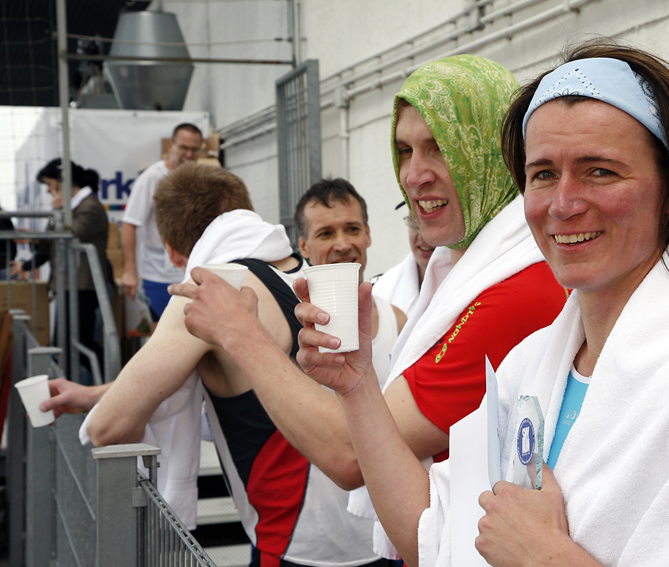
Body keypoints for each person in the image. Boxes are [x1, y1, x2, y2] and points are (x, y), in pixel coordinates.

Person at [293, 41, 669, 566]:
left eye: (600, 171)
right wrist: (357, 385)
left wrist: (544, 558)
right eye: (543, 174)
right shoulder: (533, 366)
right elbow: (434, 535)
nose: (562, 205)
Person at [170, 54, 566, 556]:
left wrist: (240, 333)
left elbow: (348, 454)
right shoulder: (468, 274)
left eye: (439, 148)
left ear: (495, 151)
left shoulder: (516, 291)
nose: (414, 175)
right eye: (404, 150)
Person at [43, 163, 385, 567]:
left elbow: (107, 427)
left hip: (299, 543)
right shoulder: (317, 280)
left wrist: (103, 406)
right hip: (380, 529)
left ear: (172, 251)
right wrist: (93, 394)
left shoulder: (209, 292)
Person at [295, 178, 406, 386]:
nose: (343, 244)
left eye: (352, 229)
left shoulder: (397, 321)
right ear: (303, 247)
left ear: (368, 234)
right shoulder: (294, 329)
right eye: (326, 233)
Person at [13, 158, 109, 380]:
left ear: (63, 182)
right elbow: (48, 246)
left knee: (80, 343)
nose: (48, 191)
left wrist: (54, 214)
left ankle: (112, 381)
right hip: (68, 286)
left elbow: (69, 236)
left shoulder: (90, 207)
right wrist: (32, 248)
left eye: (50, 184)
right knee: (66, 344)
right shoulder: (69, 209)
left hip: (84, 287)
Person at [121, 122, 202, 320]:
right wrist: (130, 270)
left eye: (194, 149)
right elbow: (129, 224)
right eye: (184, 148)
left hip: (193, 273)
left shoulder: (201, 178)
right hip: (159, 276)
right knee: (164, 330)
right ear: (171, 146)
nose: (189, 154)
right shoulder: (152, 178)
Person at [371, 203, 433, 315]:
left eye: (432, 223)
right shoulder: (380, 287)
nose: (422, 236)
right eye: (414, 222)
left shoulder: (464, 287)